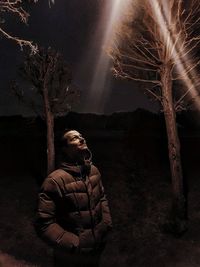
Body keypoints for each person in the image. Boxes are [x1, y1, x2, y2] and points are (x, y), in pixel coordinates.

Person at [35, 129, 112, 267]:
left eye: (81, 136)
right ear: (65, 149)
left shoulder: (94, 172)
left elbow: (102, 198)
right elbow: (43, 223)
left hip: (95, 251)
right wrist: (73, 244)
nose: (81, 139)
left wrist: (105, 225)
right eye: (74, 138)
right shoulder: (55, 181)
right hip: (69, 258)